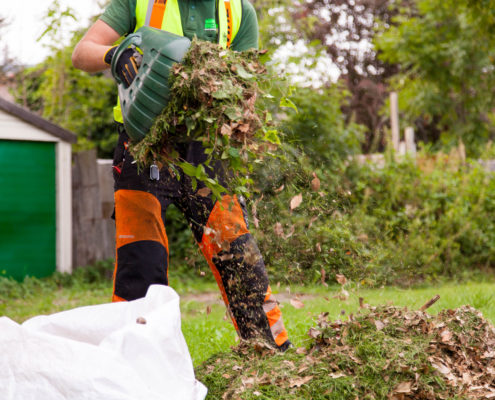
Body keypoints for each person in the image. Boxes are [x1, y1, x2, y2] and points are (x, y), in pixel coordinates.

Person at [72, 0, 290, 350]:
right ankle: (137, 360)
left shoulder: (238, 11)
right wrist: (115, 54)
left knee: (239, 257)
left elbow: (248, 87)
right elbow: (83, 52)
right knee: (141, 262)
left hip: (206, 152)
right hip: (142, 147)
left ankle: (271, 354)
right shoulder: (136, 2)